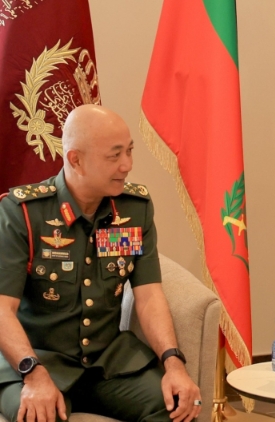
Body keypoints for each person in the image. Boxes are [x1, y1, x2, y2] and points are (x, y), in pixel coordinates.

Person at [0, 105, 201, 422]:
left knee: (178, 408)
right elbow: (2, 308)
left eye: (129, 151)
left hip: (108, 363)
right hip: (37, 361)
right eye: (114, 155)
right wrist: (32, 373)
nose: (127, 165)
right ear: (75, 160)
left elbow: (149, 296)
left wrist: (173, 363)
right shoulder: (23, 213)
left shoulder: (134, 209)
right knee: (39, 415)